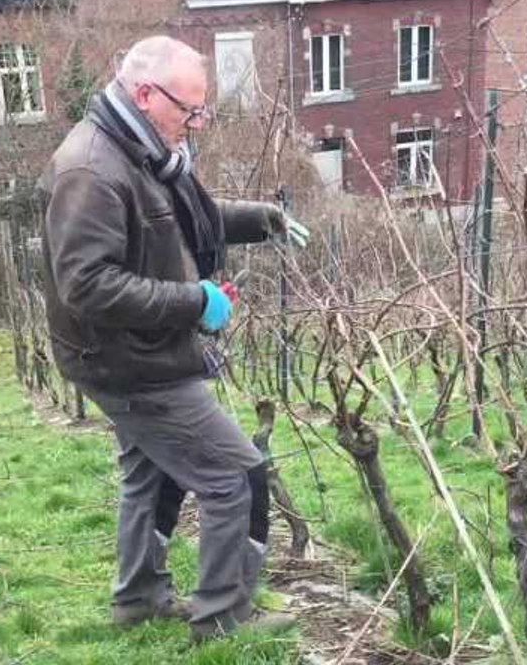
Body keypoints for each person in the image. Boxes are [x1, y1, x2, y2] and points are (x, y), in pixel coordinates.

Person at [36, 35, 307, 642]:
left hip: (133, 351)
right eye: (189, 110)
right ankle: (223, 618)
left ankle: (138, 598)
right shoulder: (91, 170)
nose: (198, 121)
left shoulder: (140, 151)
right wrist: (195, 301)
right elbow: (88, 286)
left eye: (201, 108)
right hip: (129, 361)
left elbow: (178, 222)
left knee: (150, 474)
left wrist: (262, 219)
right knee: (234, 475)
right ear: (144, 94)